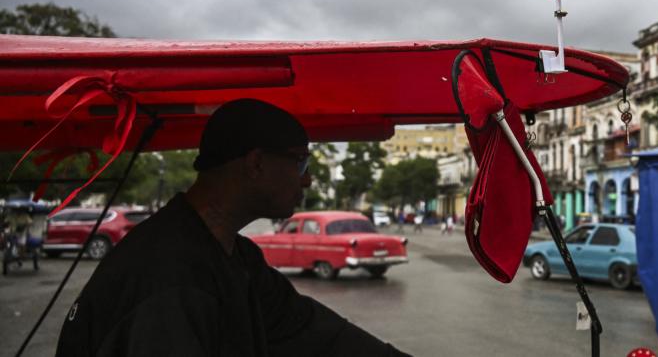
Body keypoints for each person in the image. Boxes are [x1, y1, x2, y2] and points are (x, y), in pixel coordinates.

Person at [56, 98, 410, 356]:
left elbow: (317, 334)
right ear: (256, 163)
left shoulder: (237, 257)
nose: (308, 180)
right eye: (301, 163)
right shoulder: (170, 277)